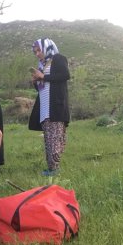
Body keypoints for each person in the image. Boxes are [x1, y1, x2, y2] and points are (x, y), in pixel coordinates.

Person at [29, 38, 71, 176]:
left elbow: (65, 75)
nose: (37, 54)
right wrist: (36, 80)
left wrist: (43, 77)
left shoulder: (58, 58)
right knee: (48, 139)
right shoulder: (42, 65)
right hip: (45, 108)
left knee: (55, 137)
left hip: (56, 106)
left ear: (47, 47)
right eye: (35, 51)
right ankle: (51, 168)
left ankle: (55, 169)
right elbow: (42, 87)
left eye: (39, 50)